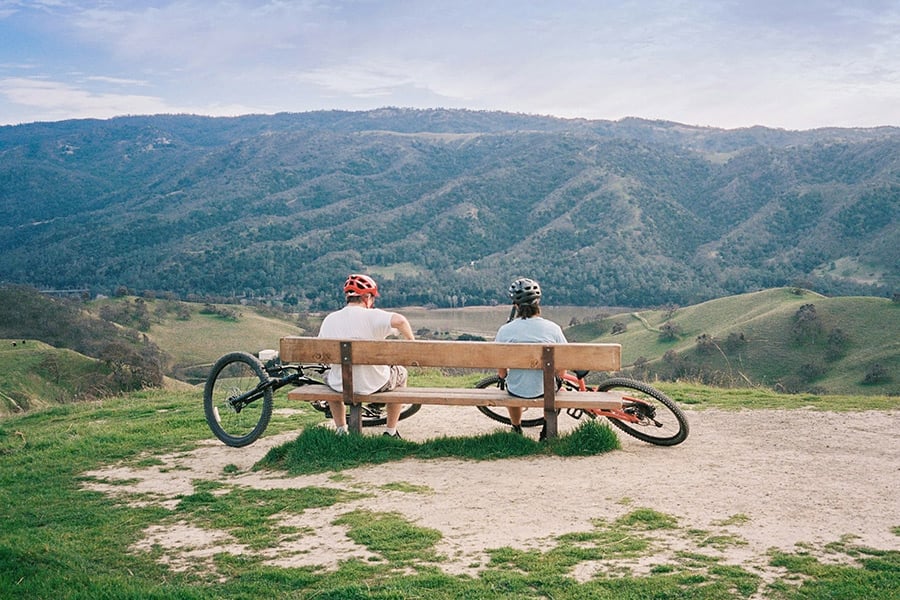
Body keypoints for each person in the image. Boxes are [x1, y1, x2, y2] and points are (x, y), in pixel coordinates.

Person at [318, 274, 415, 438]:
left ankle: (341, 431)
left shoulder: (330, 319)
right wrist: (412, 341)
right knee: (401, 373)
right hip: (375, 383)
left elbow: (321, 351)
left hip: (340, 384)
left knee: (330, 377)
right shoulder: (373, 316)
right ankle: (390, 431)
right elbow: (400, 321)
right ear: (367, 297)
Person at [494, 277, 567, 435]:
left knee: (510, 385)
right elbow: (563, 363)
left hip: (516, 389)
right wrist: (559, 378)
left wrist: (503, 376)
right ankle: (547, 428)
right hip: (546, 390)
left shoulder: (505, 330)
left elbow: (499, 365)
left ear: (516, 305)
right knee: (559, 389)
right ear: (538, 302)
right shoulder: (553, 329)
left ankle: (516, 427)